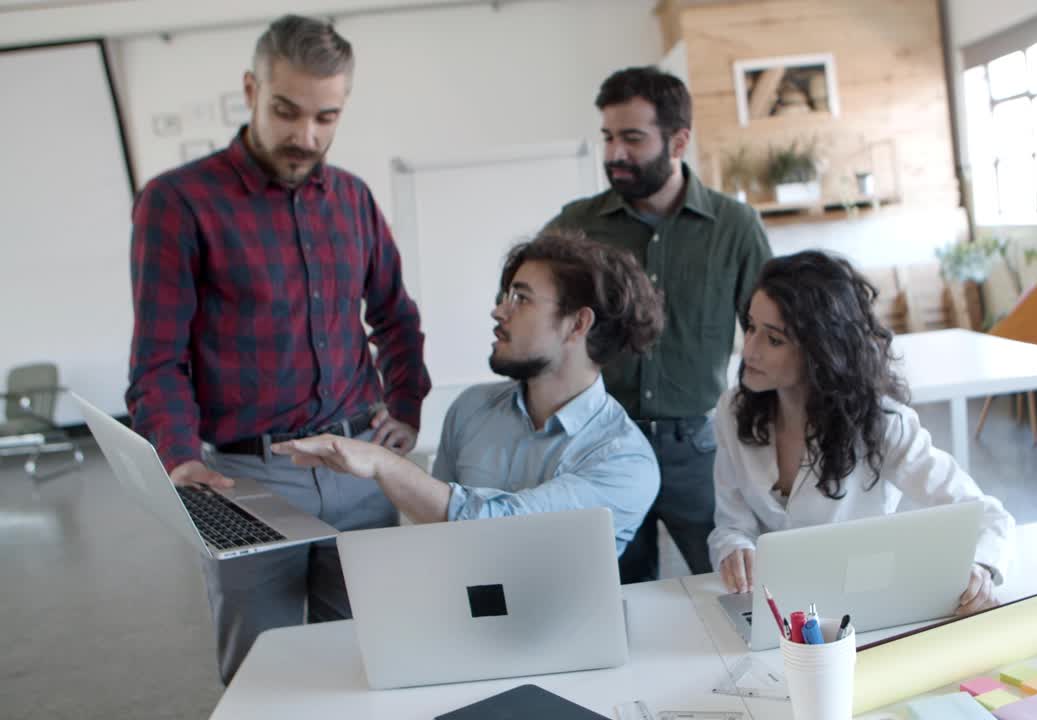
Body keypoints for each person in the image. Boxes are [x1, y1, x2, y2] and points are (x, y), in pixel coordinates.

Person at [126, 15, 430, 684]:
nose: (306, 136)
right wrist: (179, 459)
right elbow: (158, 361)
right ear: (250, 89)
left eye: (327, 117)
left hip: (358, 471)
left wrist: (405, 406)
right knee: (262, 678)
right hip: (245, 481)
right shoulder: (178, 203)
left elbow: (396, 317)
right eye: (286, 111)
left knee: (372, 663)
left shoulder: (351, 198)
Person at [273, 230, 663, 556]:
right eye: (505, 296)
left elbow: (503, 527)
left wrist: (383, 464)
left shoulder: (626, 461)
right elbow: (440, 538)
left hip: (554, 636)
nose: (498, 312)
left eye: (520, 298)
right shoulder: (472, 409)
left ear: (578, 323)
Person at [547, 66, 772, 583]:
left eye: (632, 138)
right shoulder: (576, 226)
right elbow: (524, 307)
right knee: (612, 598)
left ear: (679, 140)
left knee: (735, 589)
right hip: (601, 445)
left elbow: (775, 333)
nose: (614, 154)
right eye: (607, 137)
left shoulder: (735, 228)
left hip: (699, 448)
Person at [708, 251, 1014, 616]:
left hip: (861, 610)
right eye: (751, 327)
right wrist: (734, 548)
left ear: (820, 350)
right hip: (774, 612)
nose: (750, 351)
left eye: (774, 340)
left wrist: (980, 567)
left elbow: (988, 517)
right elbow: (731, 525)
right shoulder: (733, 412)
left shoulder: (883, 425)